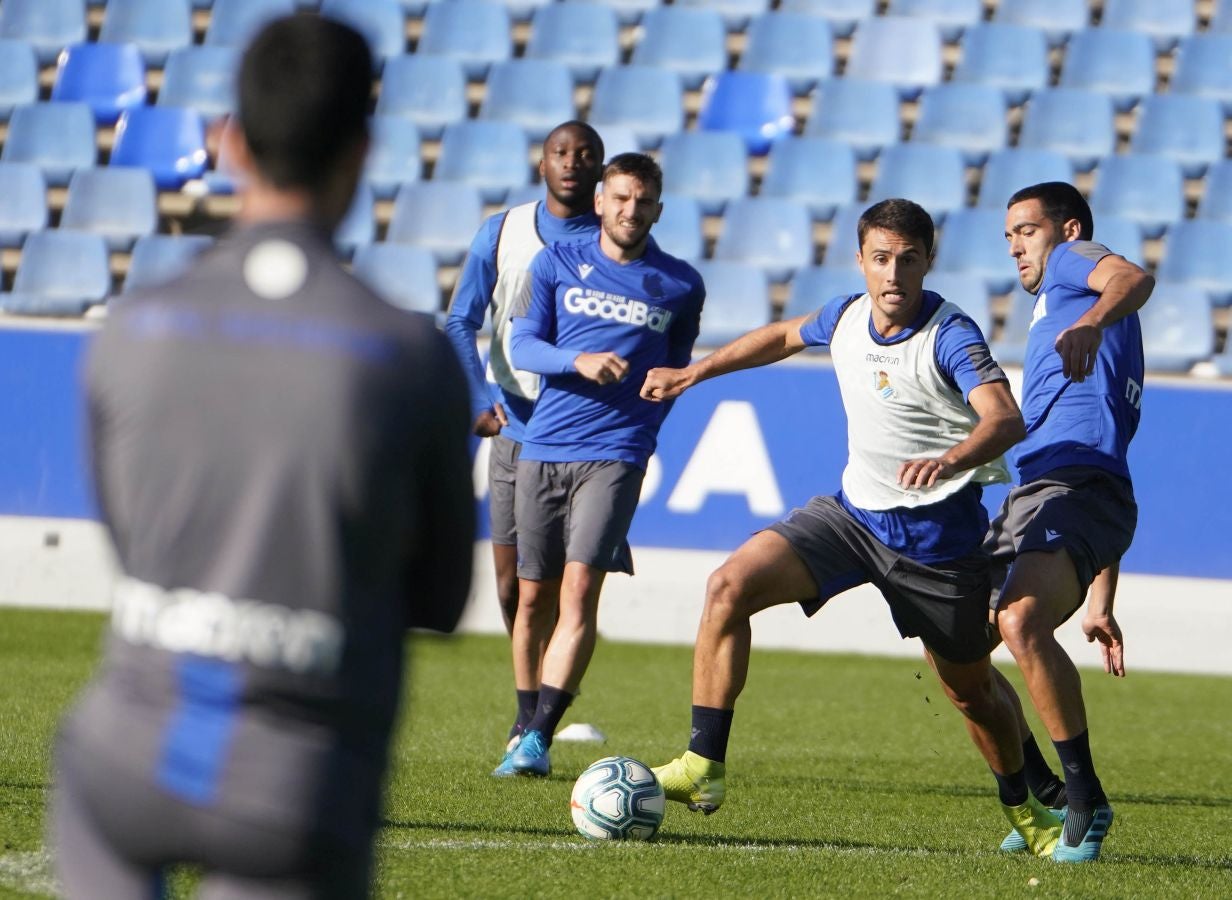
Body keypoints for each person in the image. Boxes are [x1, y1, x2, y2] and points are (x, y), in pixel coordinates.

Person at [51, 16, 474, 898]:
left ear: (229, 143)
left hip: (122, 757)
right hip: (292, 781)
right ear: (361, 152)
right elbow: (439, 597)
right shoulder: (407, 354)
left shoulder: (133, 328)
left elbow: (133, 543)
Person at [643, 198, 1064, 857]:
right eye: (880, 258)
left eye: (907, 259)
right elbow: (783, 335)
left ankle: (1027, 809)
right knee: (729, 585)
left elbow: (1004, 419)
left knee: (973, 694)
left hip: (937, 549)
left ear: (928, 261)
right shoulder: (843, 316)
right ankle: (703, 763)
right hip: (851, 518)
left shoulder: (950, 336)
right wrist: (696, 371)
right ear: (860, 261)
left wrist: (950, 459)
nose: (893, 273)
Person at [494, 152, 705, 777]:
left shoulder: (680, 284)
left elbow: (676, 371)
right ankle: (524, 716)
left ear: (658, 209)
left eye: (642, 202)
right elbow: (521, 343)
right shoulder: (554, 262)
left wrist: (645, 429)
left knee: (581, 590)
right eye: (620, 199)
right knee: (533, 598)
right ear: (600, 202)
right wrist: (577, 360)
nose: (630, 211)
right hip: (545, 445)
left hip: (616, 453)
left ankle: (537, 737)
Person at [986, 181, 1152, 862]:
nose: (1017, 247)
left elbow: (1133, 277)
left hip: (1074, 487)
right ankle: (1043, 792)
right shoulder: (1059, 306)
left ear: (1068, 229)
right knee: (951, 636)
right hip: (1046, 490)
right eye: (1009, 237)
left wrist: (1090, 320)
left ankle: (1084, 800)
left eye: (1027, 230)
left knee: (1019, 622)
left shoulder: (1073, 266)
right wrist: (1102, 600)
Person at [444, 121, 605, 755]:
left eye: (585, 155)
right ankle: (537, 699)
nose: (572, 163)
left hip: (581, 432)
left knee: (568, 583)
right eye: (561, 154)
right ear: (542, 165)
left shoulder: (613, 242)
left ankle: (533, 718)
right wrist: (479, 403)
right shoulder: (503, 231)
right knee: (513, 585)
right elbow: (460, 321)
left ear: (600, 169)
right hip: (514, 424)